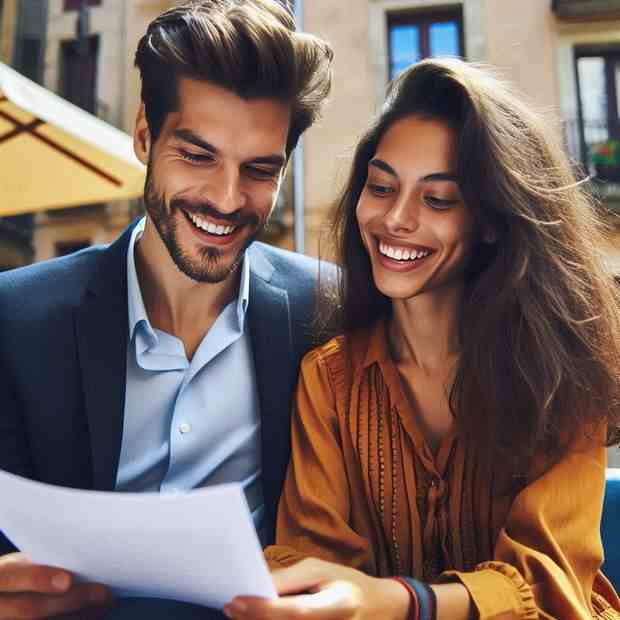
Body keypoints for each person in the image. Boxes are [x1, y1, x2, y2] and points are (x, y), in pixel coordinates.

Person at [224, 58, 620, 620]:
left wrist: (403, 601)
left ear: (490, 221)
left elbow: (550, 584)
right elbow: (312, 560)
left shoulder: (563, 371)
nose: (395, 219)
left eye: (437, 200)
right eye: (381, 187)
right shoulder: (329, 379)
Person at [0, 1, 332, 619]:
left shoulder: (328, 311)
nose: (227, 200)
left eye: (261, 169)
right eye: (198, 156)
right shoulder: (14, 319)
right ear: (145, 136)